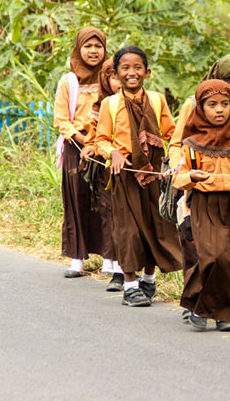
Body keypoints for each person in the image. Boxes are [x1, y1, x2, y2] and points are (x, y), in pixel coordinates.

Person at [95, 46, 183, 307]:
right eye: (125, 68)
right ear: (115, 73)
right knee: (128, 230)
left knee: (156, 227)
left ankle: (148, 278)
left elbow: (172, 134)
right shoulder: (110, 104)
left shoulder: (157, 100)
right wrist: (113, 153)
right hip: (124, 174)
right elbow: (100, 139)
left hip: (155, 173)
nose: (131, 73)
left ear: (147, 72)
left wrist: (177, 161)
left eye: (137, 68)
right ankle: (130, 285)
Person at [168, 53, 230, 322]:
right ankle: (198, 304)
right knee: (207, 255)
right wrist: (186, 176)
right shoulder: (193, 113)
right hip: (201, 199)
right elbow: (179, 146)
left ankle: (226, 313)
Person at [53, 27, 107, 278]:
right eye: (88, 46)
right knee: (77, 201)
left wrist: (99, 143)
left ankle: (111, 257)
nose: (94, 51)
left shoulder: (111, 77)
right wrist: (84, 140)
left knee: (107, 203)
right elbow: (61, 120)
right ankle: (77, 259)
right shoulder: (69, 82)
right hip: (77, 148)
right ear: (78, 49)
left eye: (98, 46)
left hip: (106, 149)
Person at [80, 58, 125, 291]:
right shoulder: (101, 105)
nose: (119, 82)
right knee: (109, 215)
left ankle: (126, 264)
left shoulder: (136, 102)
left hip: (128, 168)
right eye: (114, 77)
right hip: (104, 169)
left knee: (125, 217)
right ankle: (112, 260)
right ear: (105, 79)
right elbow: (93, 134)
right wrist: (89, 146)